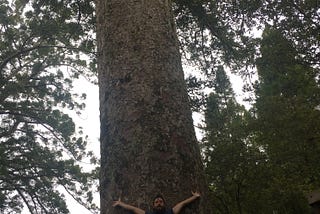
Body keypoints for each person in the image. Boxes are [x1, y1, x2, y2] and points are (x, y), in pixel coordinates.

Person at [112, 191, 201, 214]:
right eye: (156, 202)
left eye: (161, 202)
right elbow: (133, 209)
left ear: (164, 204)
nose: (159, 203)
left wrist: (195, 197)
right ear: (153, 205)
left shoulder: (171, 212)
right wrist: (120, 204)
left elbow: (183, 203)